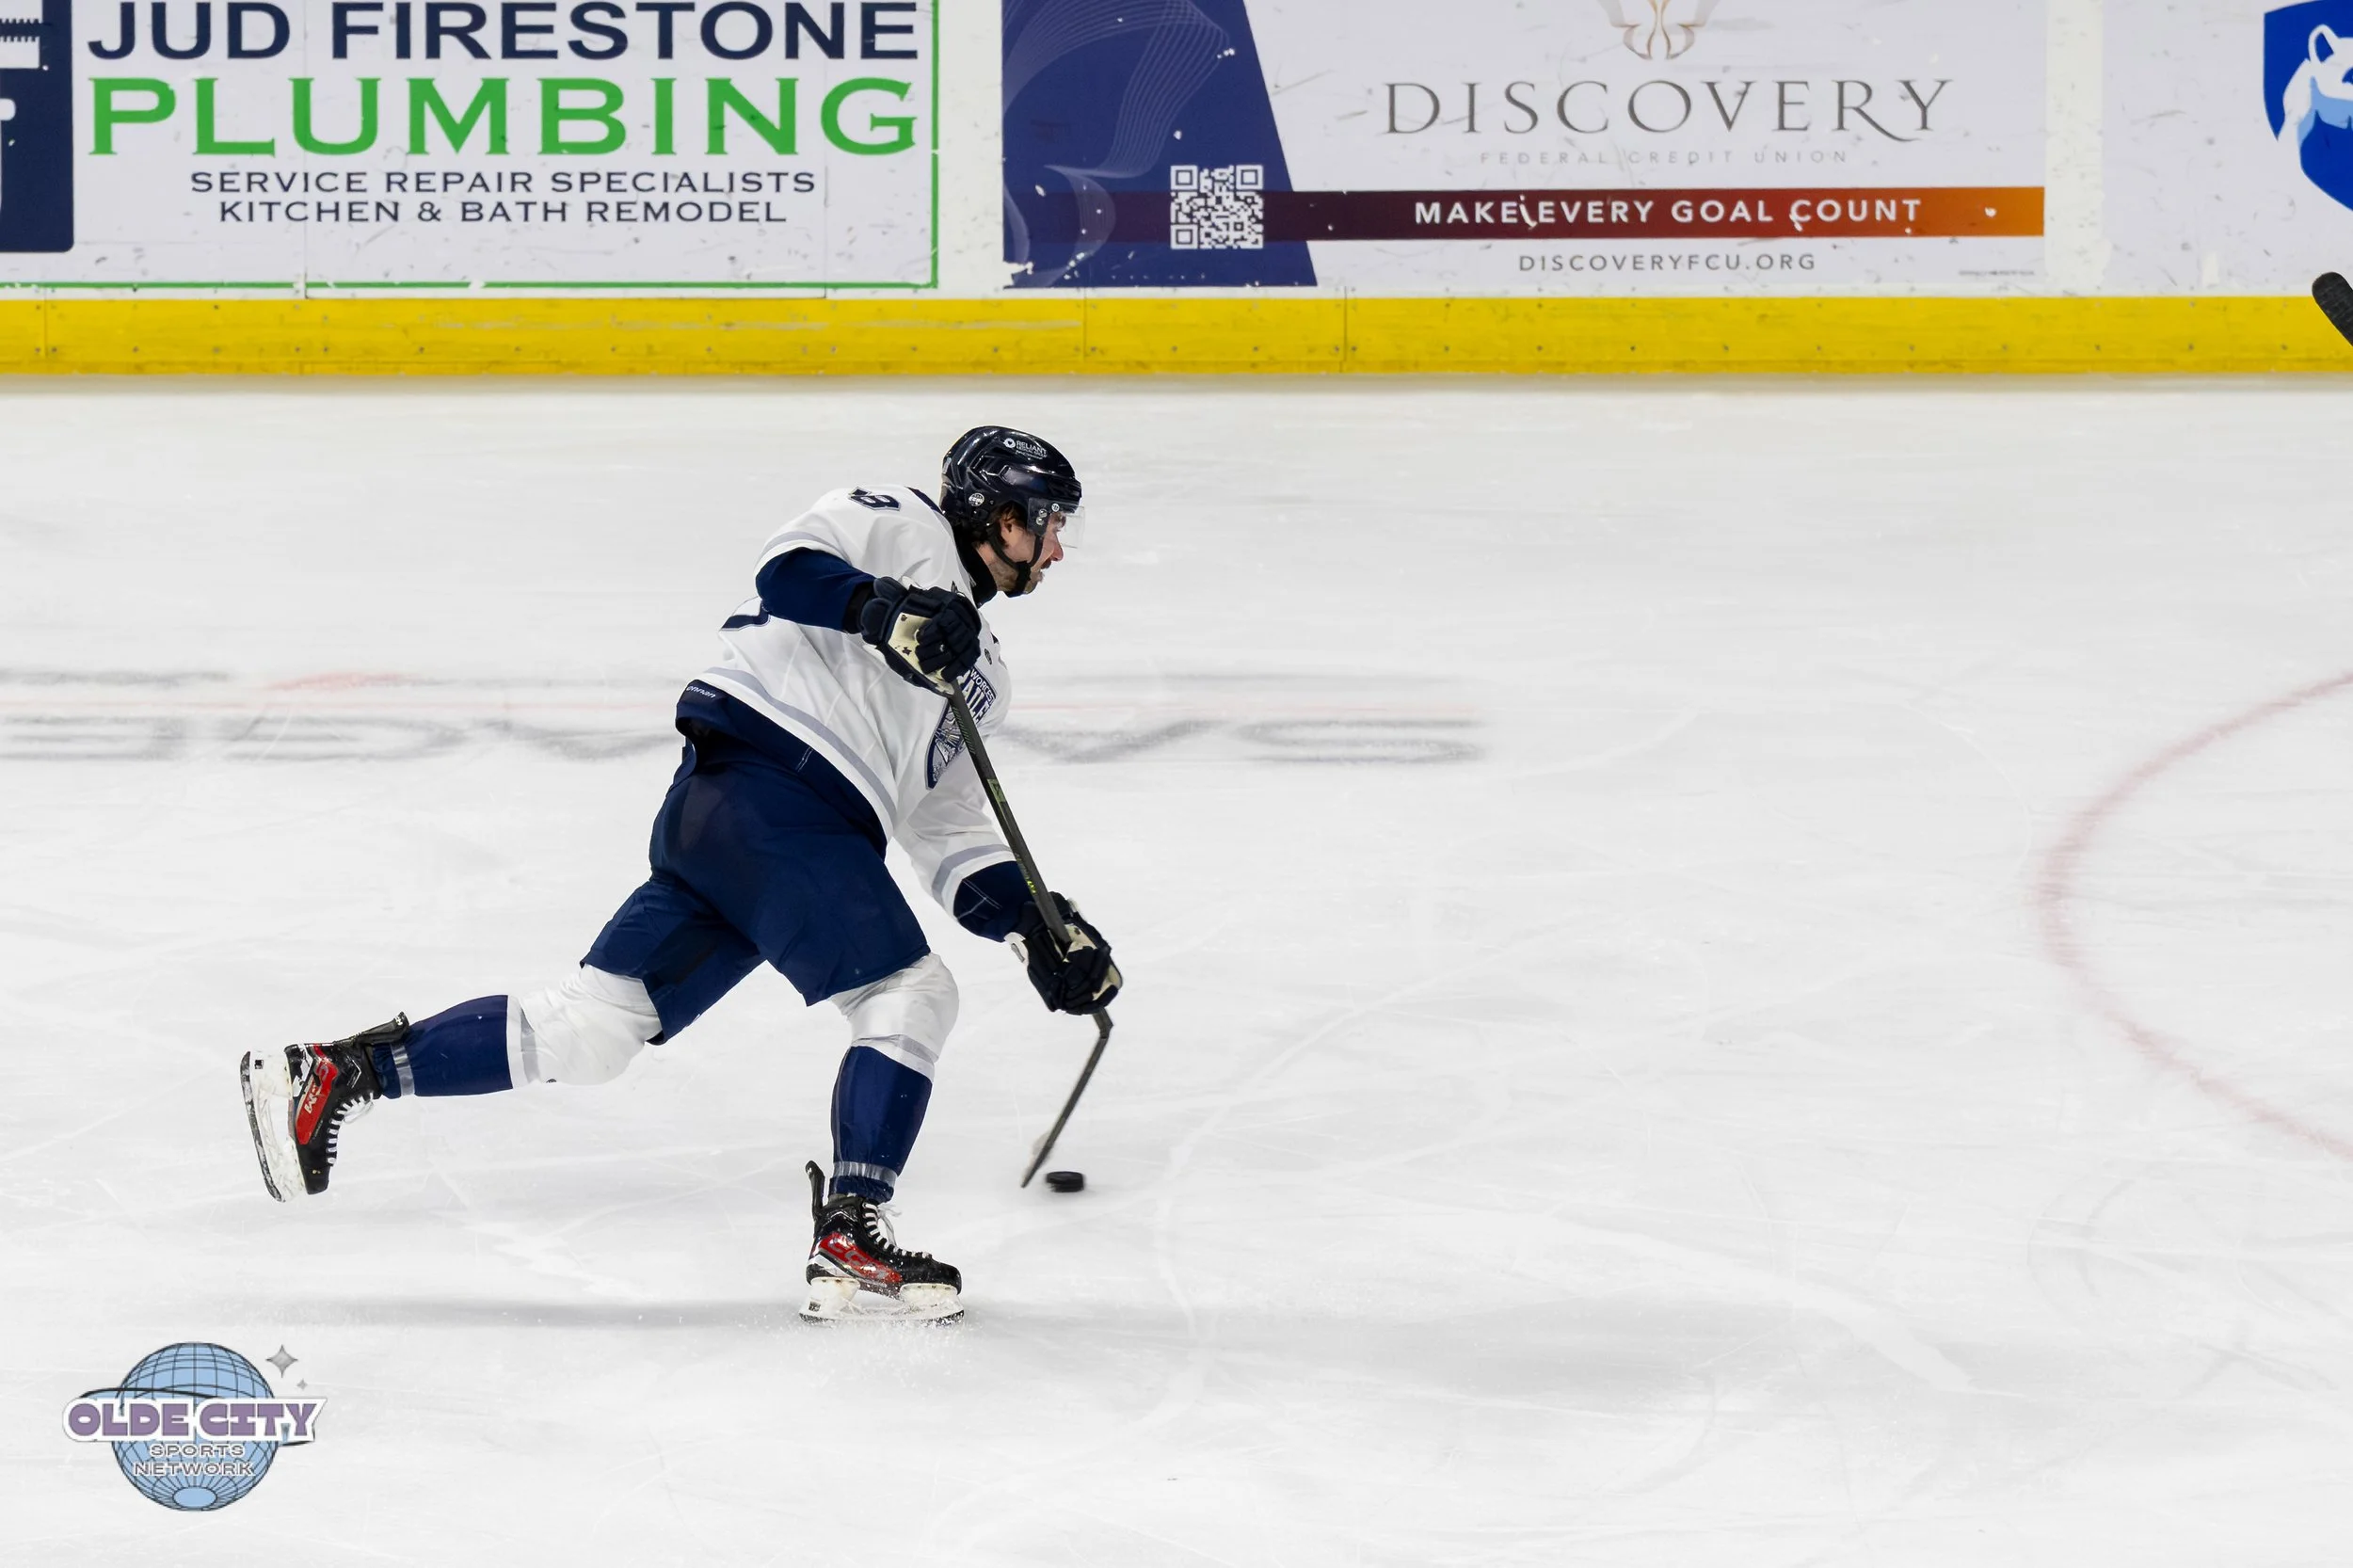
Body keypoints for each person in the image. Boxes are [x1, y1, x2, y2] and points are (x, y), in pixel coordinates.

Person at [239, 427, 1122, 1323]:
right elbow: (789, 570)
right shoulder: (896, 520)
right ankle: (852, 1240)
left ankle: (332, 1075)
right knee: (909, 993)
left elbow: (947, 830)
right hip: (773, 787)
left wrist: (1037, 925)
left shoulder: (984, 676)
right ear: (994, 514)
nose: (1055, 549)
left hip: (748, 828)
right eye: (1046, 525)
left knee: (594, 1029)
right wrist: (886, 609)